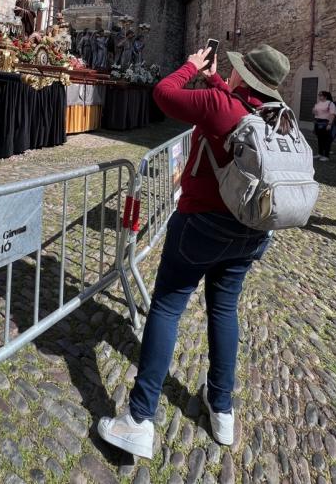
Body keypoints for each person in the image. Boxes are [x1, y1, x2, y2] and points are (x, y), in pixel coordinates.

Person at [98, 43, 290, 459]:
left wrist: (190, 66)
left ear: (245, 77)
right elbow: (232, 104)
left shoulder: (220, 105)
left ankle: (139, 419)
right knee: (224, 310)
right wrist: (216, 79)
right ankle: (222, 410)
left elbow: (163, 94)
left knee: (167, 307)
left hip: (201, 226)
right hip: (251, 232)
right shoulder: (274, 116)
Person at [312, 90, 336, 161]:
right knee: (320, 139)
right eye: (319, 95)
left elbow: (332, 114)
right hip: (318, 122)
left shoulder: (330, 103)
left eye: (321, 95)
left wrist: (330, 124)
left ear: (325, 96)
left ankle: (326, 156)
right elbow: (315, 112)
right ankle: (320, 153)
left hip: (325, 122)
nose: (319, 96)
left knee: (326, 140)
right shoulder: (318, 103)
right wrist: (314, 111)